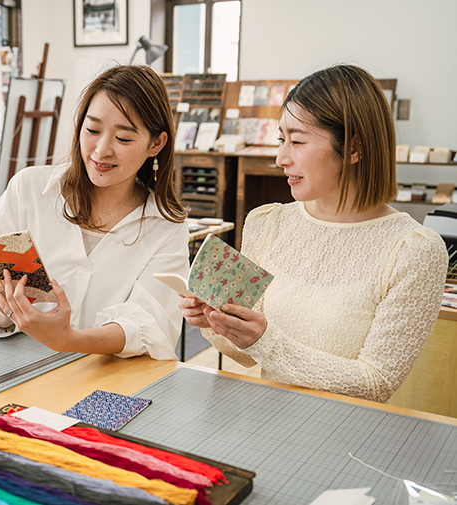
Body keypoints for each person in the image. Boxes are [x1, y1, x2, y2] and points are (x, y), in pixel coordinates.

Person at [180, 65, 448, 403]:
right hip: (266, 420)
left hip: (346, 440)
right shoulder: (266, 223)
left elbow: (377, 382)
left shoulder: (414, 251)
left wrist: (266, 341)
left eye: (297, 141)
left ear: (353, 148)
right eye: (281, 139)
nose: (280, 157)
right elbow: (248, 354)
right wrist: (212, 318)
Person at [0, 65, 190, 360]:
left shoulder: (165, 227)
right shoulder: (29, 191)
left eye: (124, 139)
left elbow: (149, 326)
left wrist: (70, 339)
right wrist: (3, 312)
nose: (101, 150)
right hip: (22, 370)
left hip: (111, 382)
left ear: (156, 144)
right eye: (92, 130)